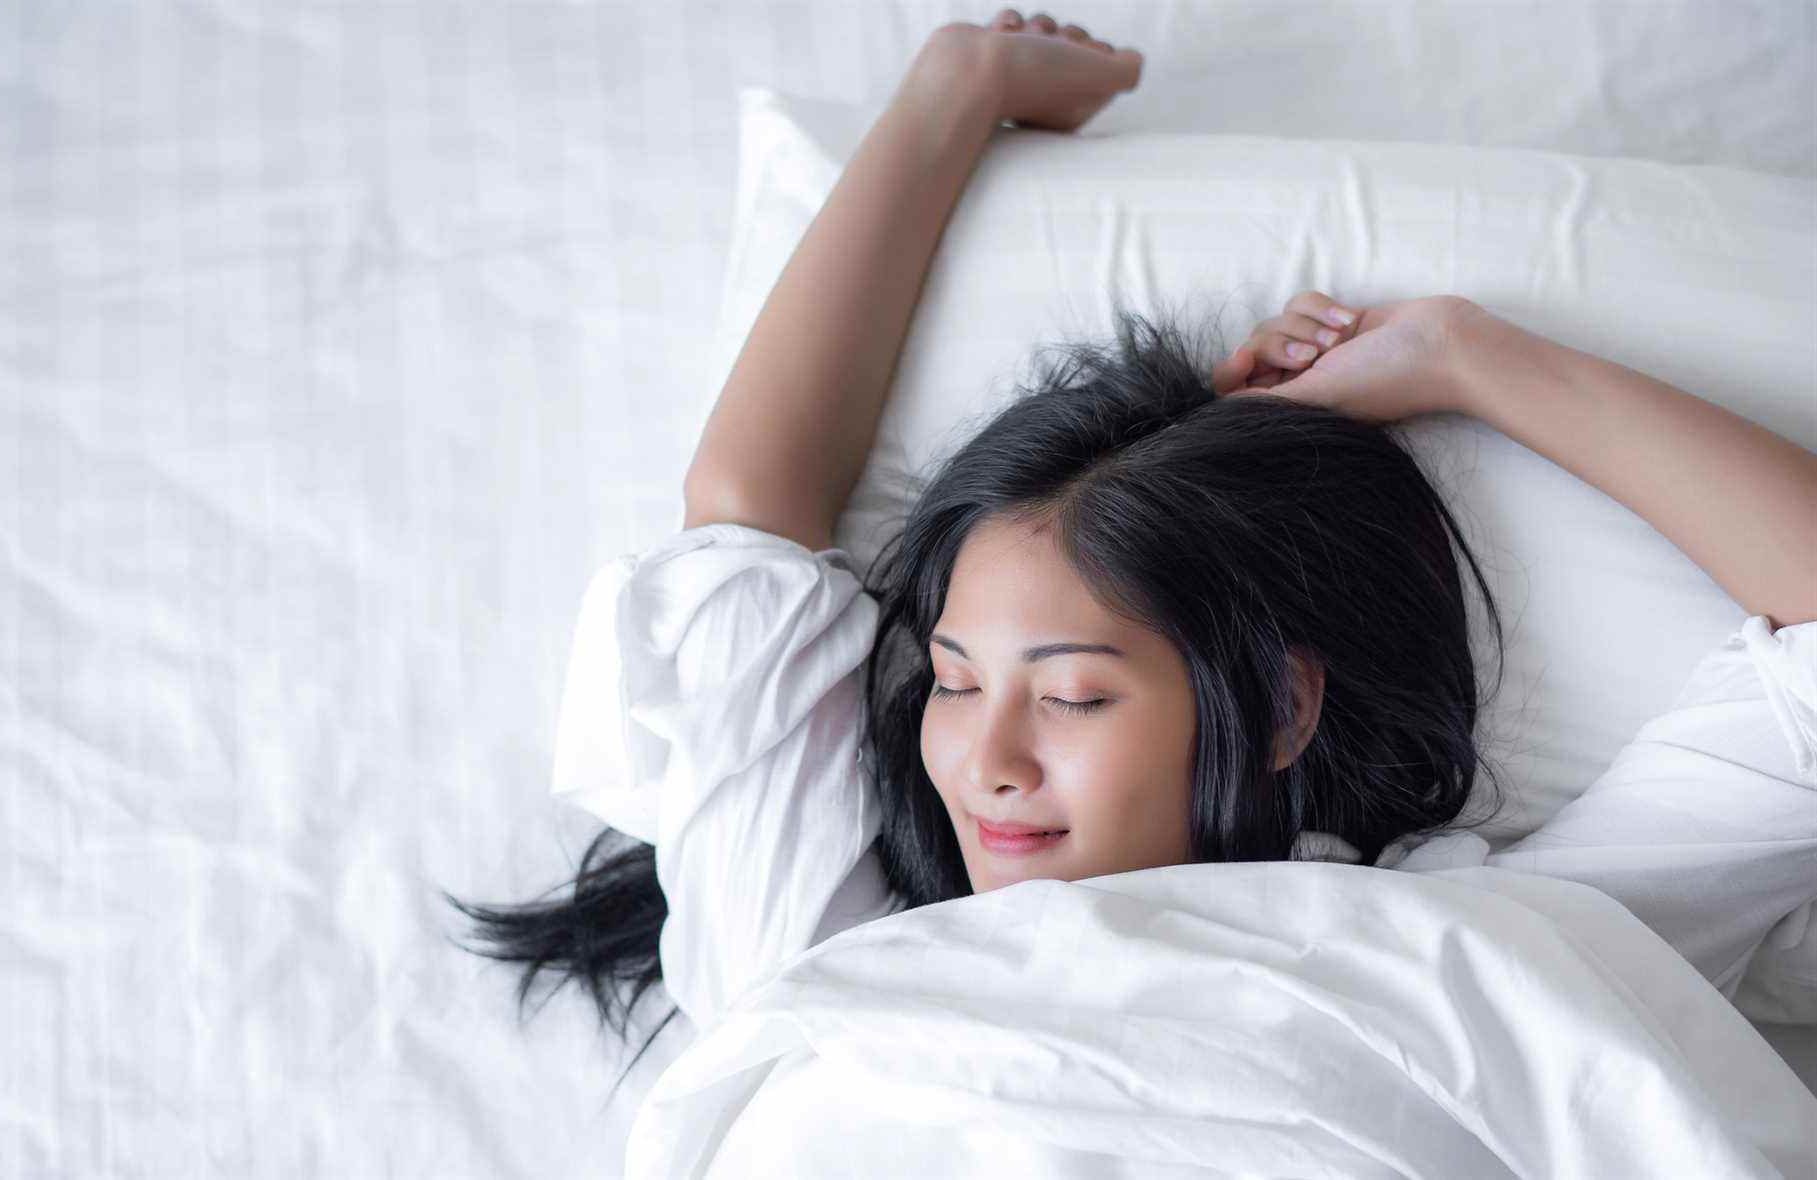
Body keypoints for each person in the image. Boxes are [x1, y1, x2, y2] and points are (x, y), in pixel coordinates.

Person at [444, 10, 1817, 1103]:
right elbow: (744, 512)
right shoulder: (836, 970)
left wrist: (1472, 355)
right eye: (955, 679)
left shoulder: (1489, 946)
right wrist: (953, 95)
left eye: (1075, 693)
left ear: (1279, 704)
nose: (984, 758)